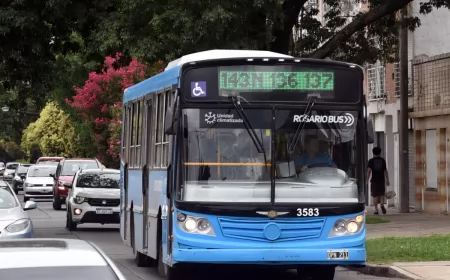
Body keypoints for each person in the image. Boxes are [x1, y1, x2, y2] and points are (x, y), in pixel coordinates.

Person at [367, 147, 390, 215]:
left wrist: (367, 180)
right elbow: (385, 170)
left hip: (374, 180)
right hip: (381, 179)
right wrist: (387, 179)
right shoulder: (382, 160)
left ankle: (376, 209)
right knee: (381, 193)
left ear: (373, 152)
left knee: (375, 195)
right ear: (380, 152)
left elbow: (369, 171)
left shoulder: (371, 160)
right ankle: (382, 204)